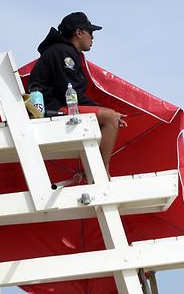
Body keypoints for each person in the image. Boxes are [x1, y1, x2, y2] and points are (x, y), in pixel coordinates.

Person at [28, 12, 127, 175]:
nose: (93, 38)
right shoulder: (63, 53)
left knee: (109, 116)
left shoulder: (63, 52)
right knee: (110, 118)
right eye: (91, 32)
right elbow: (71, 94)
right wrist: (108, 112)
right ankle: (103, 173)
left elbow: (73, 94)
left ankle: (100, 170)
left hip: (55, 105)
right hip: (51, 108)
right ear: (79, 32)